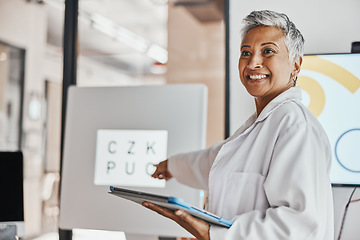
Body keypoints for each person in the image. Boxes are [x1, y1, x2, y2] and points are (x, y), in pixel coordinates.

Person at [143, 10, 334, 239]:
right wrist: (173, 165)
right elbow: (216, 163)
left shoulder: (295, 126)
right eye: (246, 53)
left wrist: (213, 234)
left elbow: (298, 225)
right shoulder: (261, 124)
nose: (253, 62)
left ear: (296, 65)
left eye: (268, 51)